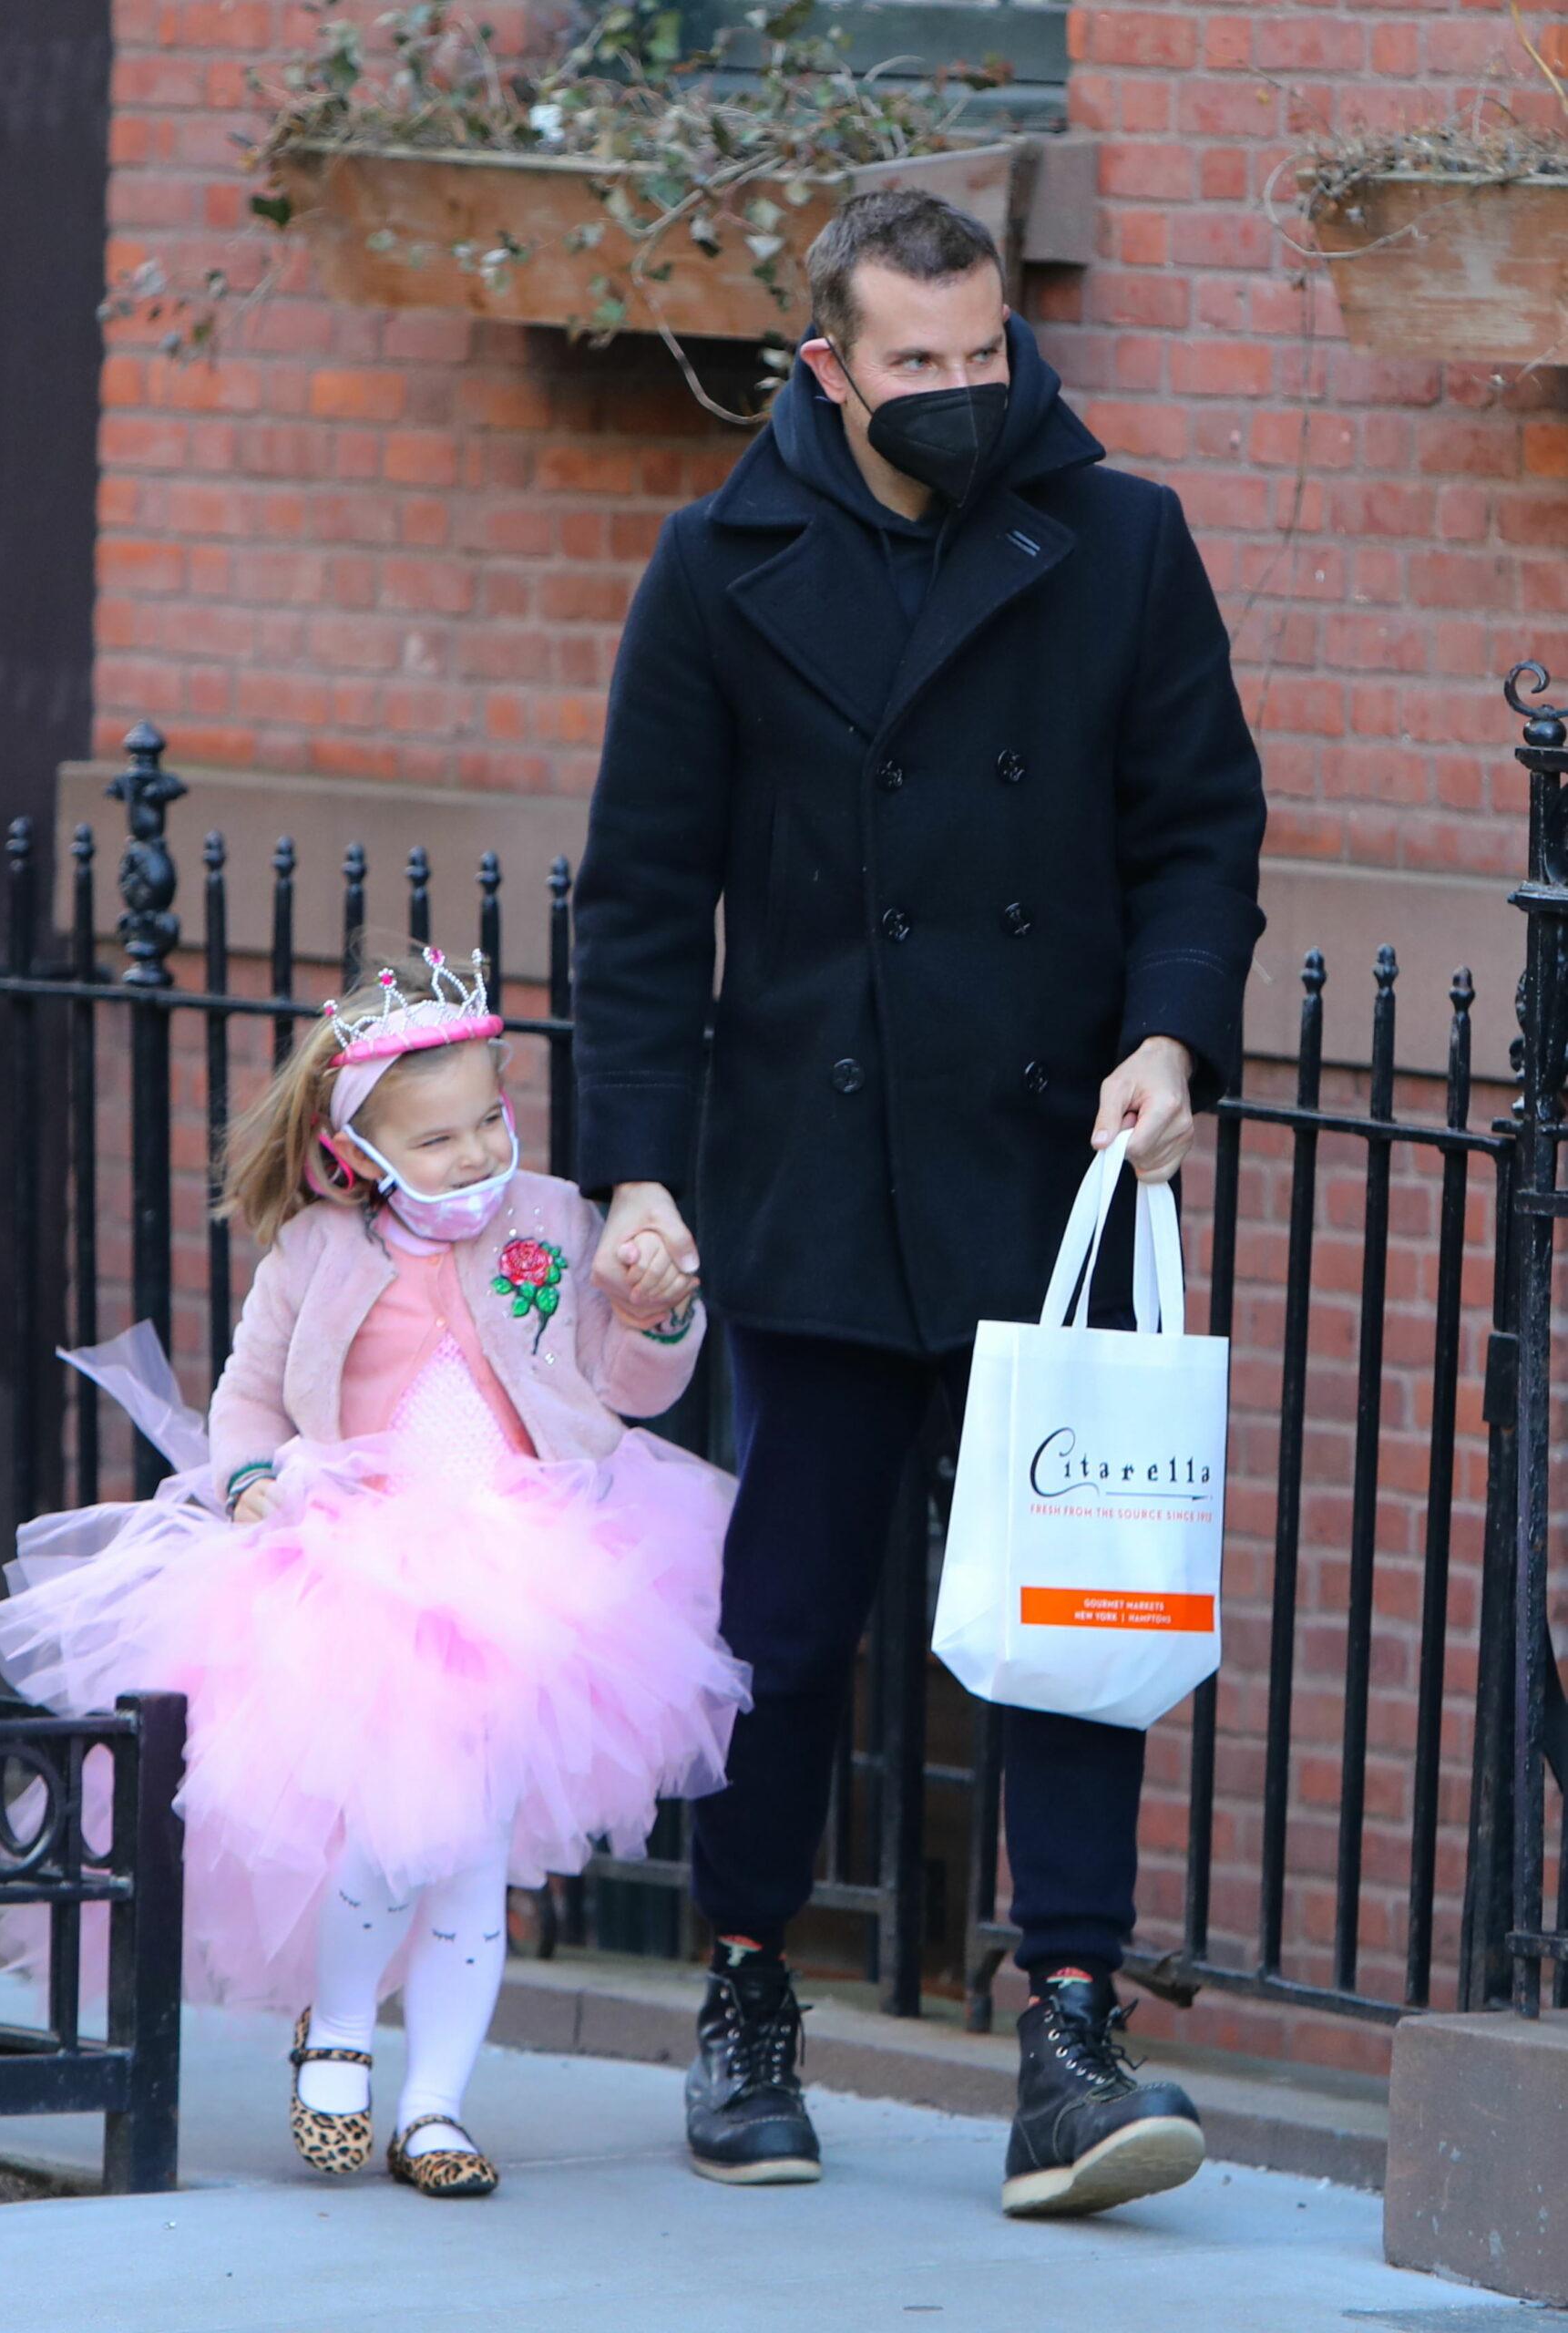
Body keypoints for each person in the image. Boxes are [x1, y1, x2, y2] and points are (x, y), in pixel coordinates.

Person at [573, 190, 1266, 2215]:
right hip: (806, 1164)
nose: (964, 393)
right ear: (828, 367)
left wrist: (1175, 1040)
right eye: (918, 365)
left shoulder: (1119, 539)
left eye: (988, 356)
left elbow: (1200, 830)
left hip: (1055, 1168)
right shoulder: (719, 569)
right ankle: (741, 1993)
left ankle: (1067, 2024)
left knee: (1074, 1602)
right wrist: (637, 1163)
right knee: (780, 1620)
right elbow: (636, 899)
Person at [0, 947, 747, 2198]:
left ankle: (435, 2107)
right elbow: (243, 1399)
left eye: (486, 1120)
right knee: (389, 1842)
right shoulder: (317, 1253)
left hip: (528, 1573)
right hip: (360, 1568)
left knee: (470, 1855)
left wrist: (656, 1314)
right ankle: (338, 2030)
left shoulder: (554, 1217)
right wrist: (253, 1482)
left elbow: (624, 1382)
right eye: (436, 1138)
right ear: (359, 1153)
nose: (471, 1154)